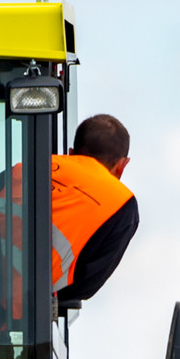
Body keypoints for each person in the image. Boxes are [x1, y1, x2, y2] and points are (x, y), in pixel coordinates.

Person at [52, 114, 138, 303]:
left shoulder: (35, 165)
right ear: (121, 166)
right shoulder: (122, 204)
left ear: (71, 153)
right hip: (5, 297)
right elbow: (85, 285)